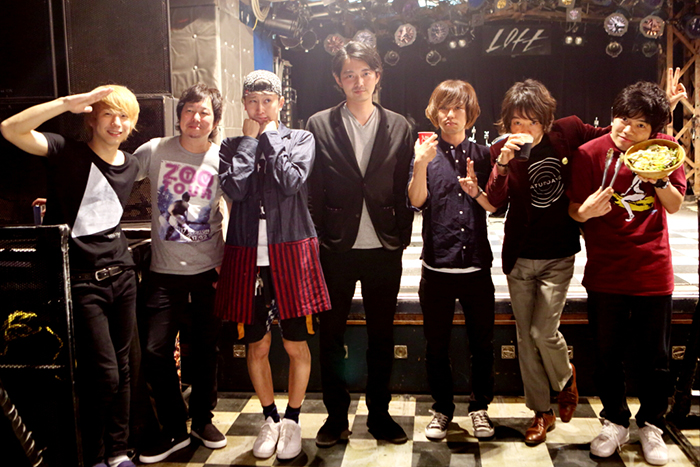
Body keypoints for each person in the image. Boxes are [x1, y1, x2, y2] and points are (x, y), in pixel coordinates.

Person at [0, 86, 140, 467]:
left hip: (123, 275)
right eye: (108, 113)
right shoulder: (66, 152)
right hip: (82, 281)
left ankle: (118, 451)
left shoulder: (131, 164)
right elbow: (10, 129)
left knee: (124, 368)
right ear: (92, 119)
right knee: (105, 374)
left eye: (124, 116)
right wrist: (65, 104)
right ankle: (94, 456)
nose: (117, 123)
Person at [214, 70, 330, 461]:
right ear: (243, 103)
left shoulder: (300, 139)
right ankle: (270, 418)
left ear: (281, 102)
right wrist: (250, 141)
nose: (260, 109)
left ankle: (293, 420)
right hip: (248, 255)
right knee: (257, 344)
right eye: (253, 101)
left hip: (291, 253)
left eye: (268, 101)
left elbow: (291, 181)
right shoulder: (232, 145)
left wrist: (269, 137)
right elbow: (235, 188)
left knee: (296, 343)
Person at [485, 80, 610, 445]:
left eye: (532, 121)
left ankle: (565, 377)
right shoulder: (502, 149)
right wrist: (503, 164)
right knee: (525, 338)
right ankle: (541, 412)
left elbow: (614, 135)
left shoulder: (568, 131)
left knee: (542, 331)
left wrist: (663, 112)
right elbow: (495, 201)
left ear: (546, 120)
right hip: (520, 255)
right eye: (516, 122)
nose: (524, 129)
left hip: (558, 252)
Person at [568, 81, 686, 466]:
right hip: (606, 271)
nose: (627, 130)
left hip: (653, 270)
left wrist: (660, 180)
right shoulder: (589, 153)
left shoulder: (664, 151)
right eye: (622, 119)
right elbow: (574, 209)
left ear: (653, 130)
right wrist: (585, 211)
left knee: (656, 358)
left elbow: (675, 204)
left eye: (640, 125)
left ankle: (652, 423)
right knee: (607, 355)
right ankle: (615, 421)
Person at [306, 41, 414, 446]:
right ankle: (336, 416)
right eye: (349, 74)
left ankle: (379, 415)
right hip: (335, 248)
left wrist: (401, 235)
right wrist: (317, 239)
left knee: (381, 335)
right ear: (338, 79)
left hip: (384, 247)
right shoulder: (318, 124)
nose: (358, 81)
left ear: (377, 76)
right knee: (331, 335)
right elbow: (313, 189)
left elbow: (403, 187)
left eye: (366, 73)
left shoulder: (399, 125)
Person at [133, 83, 227, 464]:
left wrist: (230, 262)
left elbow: (237, 208)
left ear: (215, 121)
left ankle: (202, 420)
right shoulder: (155, 150)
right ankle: (175, 426)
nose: (196, 118)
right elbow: (115, 176)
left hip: (209, 269)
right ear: (180, 114)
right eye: (189, 110)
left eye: (204, 112)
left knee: (206, 350)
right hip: (163, 271)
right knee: (154, 350)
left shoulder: (222, 158)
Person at [408, 80, 497, 441]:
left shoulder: (484, 155)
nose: (450, 115)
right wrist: (419, 165)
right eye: (443, 108)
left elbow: (496, 206)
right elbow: (416, 202)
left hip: (476, 265)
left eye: (458, 108)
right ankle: (442, 409)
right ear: (434, 113)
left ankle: (479, 408)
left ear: (470, 114)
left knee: (482, 344)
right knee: (436, 344)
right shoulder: (426, 154)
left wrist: (478, 192)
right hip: (437, 266)